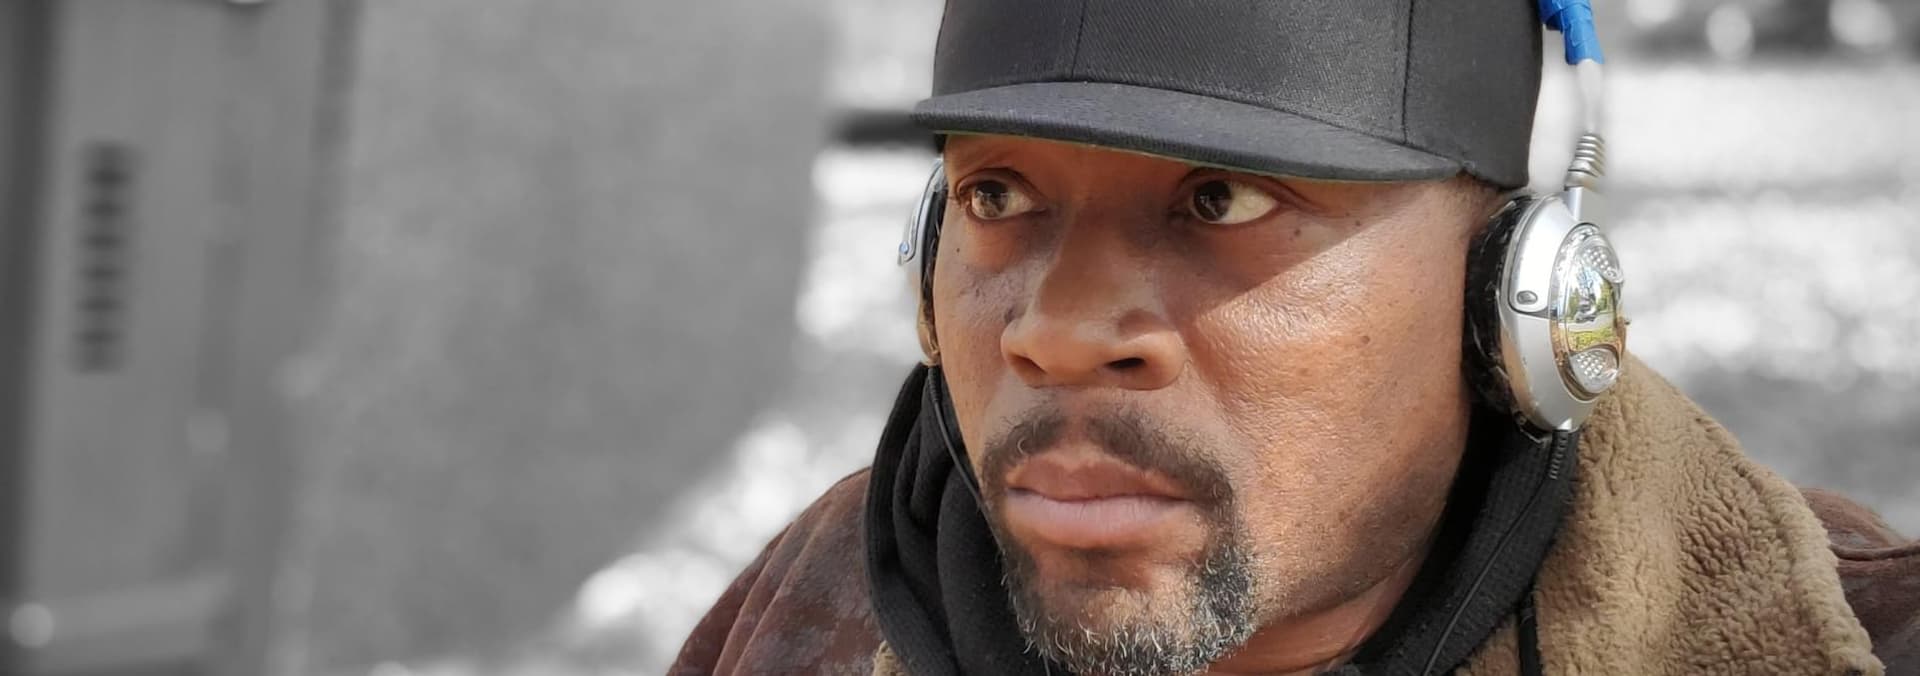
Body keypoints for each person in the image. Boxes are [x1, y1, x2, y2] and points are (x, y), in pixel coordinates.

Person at [671, 0, 1919, 674]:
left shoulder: (1858, 637)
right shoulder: (818, 597)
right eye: (997, 194)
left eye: (1222, 199)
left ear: (1518, 297)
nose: (1058, 330)